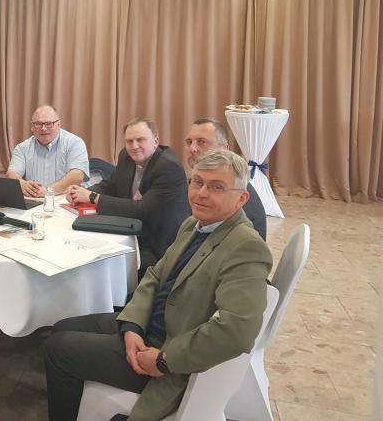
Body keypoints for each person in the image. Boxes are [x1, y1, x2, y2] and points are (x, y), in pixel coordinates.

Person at [45, 150, 273, 421]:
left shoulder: (246, 247)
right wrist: (132, 326)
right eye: (197, 182)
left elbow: (237, 332)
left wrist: (164, 359)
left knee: (57, 349)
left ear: (241, 199)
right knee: (61, 327)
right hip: (151, 326)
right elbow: (155, 276)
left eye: (216, 187)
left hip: (166, 356)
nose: (201, 193)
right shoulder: (194, 224)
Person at [67, 118, 189, 272]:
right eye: (129, 141)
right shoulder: (126, 156)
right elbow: (110, 185)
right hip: (131, 230)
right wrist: (80, 193)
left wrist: (92, 197)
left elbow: (142, 210)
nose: (134, 146)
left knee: (103, 264)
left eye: (140, 140)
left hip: (158, 244)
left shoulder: (168, 167)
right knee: (82, 250)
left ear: (156, 141)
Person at [184, 118, 267, 240]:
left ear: (224, 148)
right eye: (189, 142)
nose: (192, 148)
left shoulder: (235, 194)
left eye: (201, 142)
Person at [7, 105, 89, 198]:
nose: (43, 128)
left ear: (59, 124)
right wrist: (21, 183)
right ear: (32, 127)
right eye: (38, 124)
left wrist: (48, 191)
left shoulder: (74, 143)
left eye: (49, 124)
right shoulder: (22, 148)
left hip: (66, 200)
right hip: (34, 200)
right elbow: (12, 173)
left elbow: (77, 176)